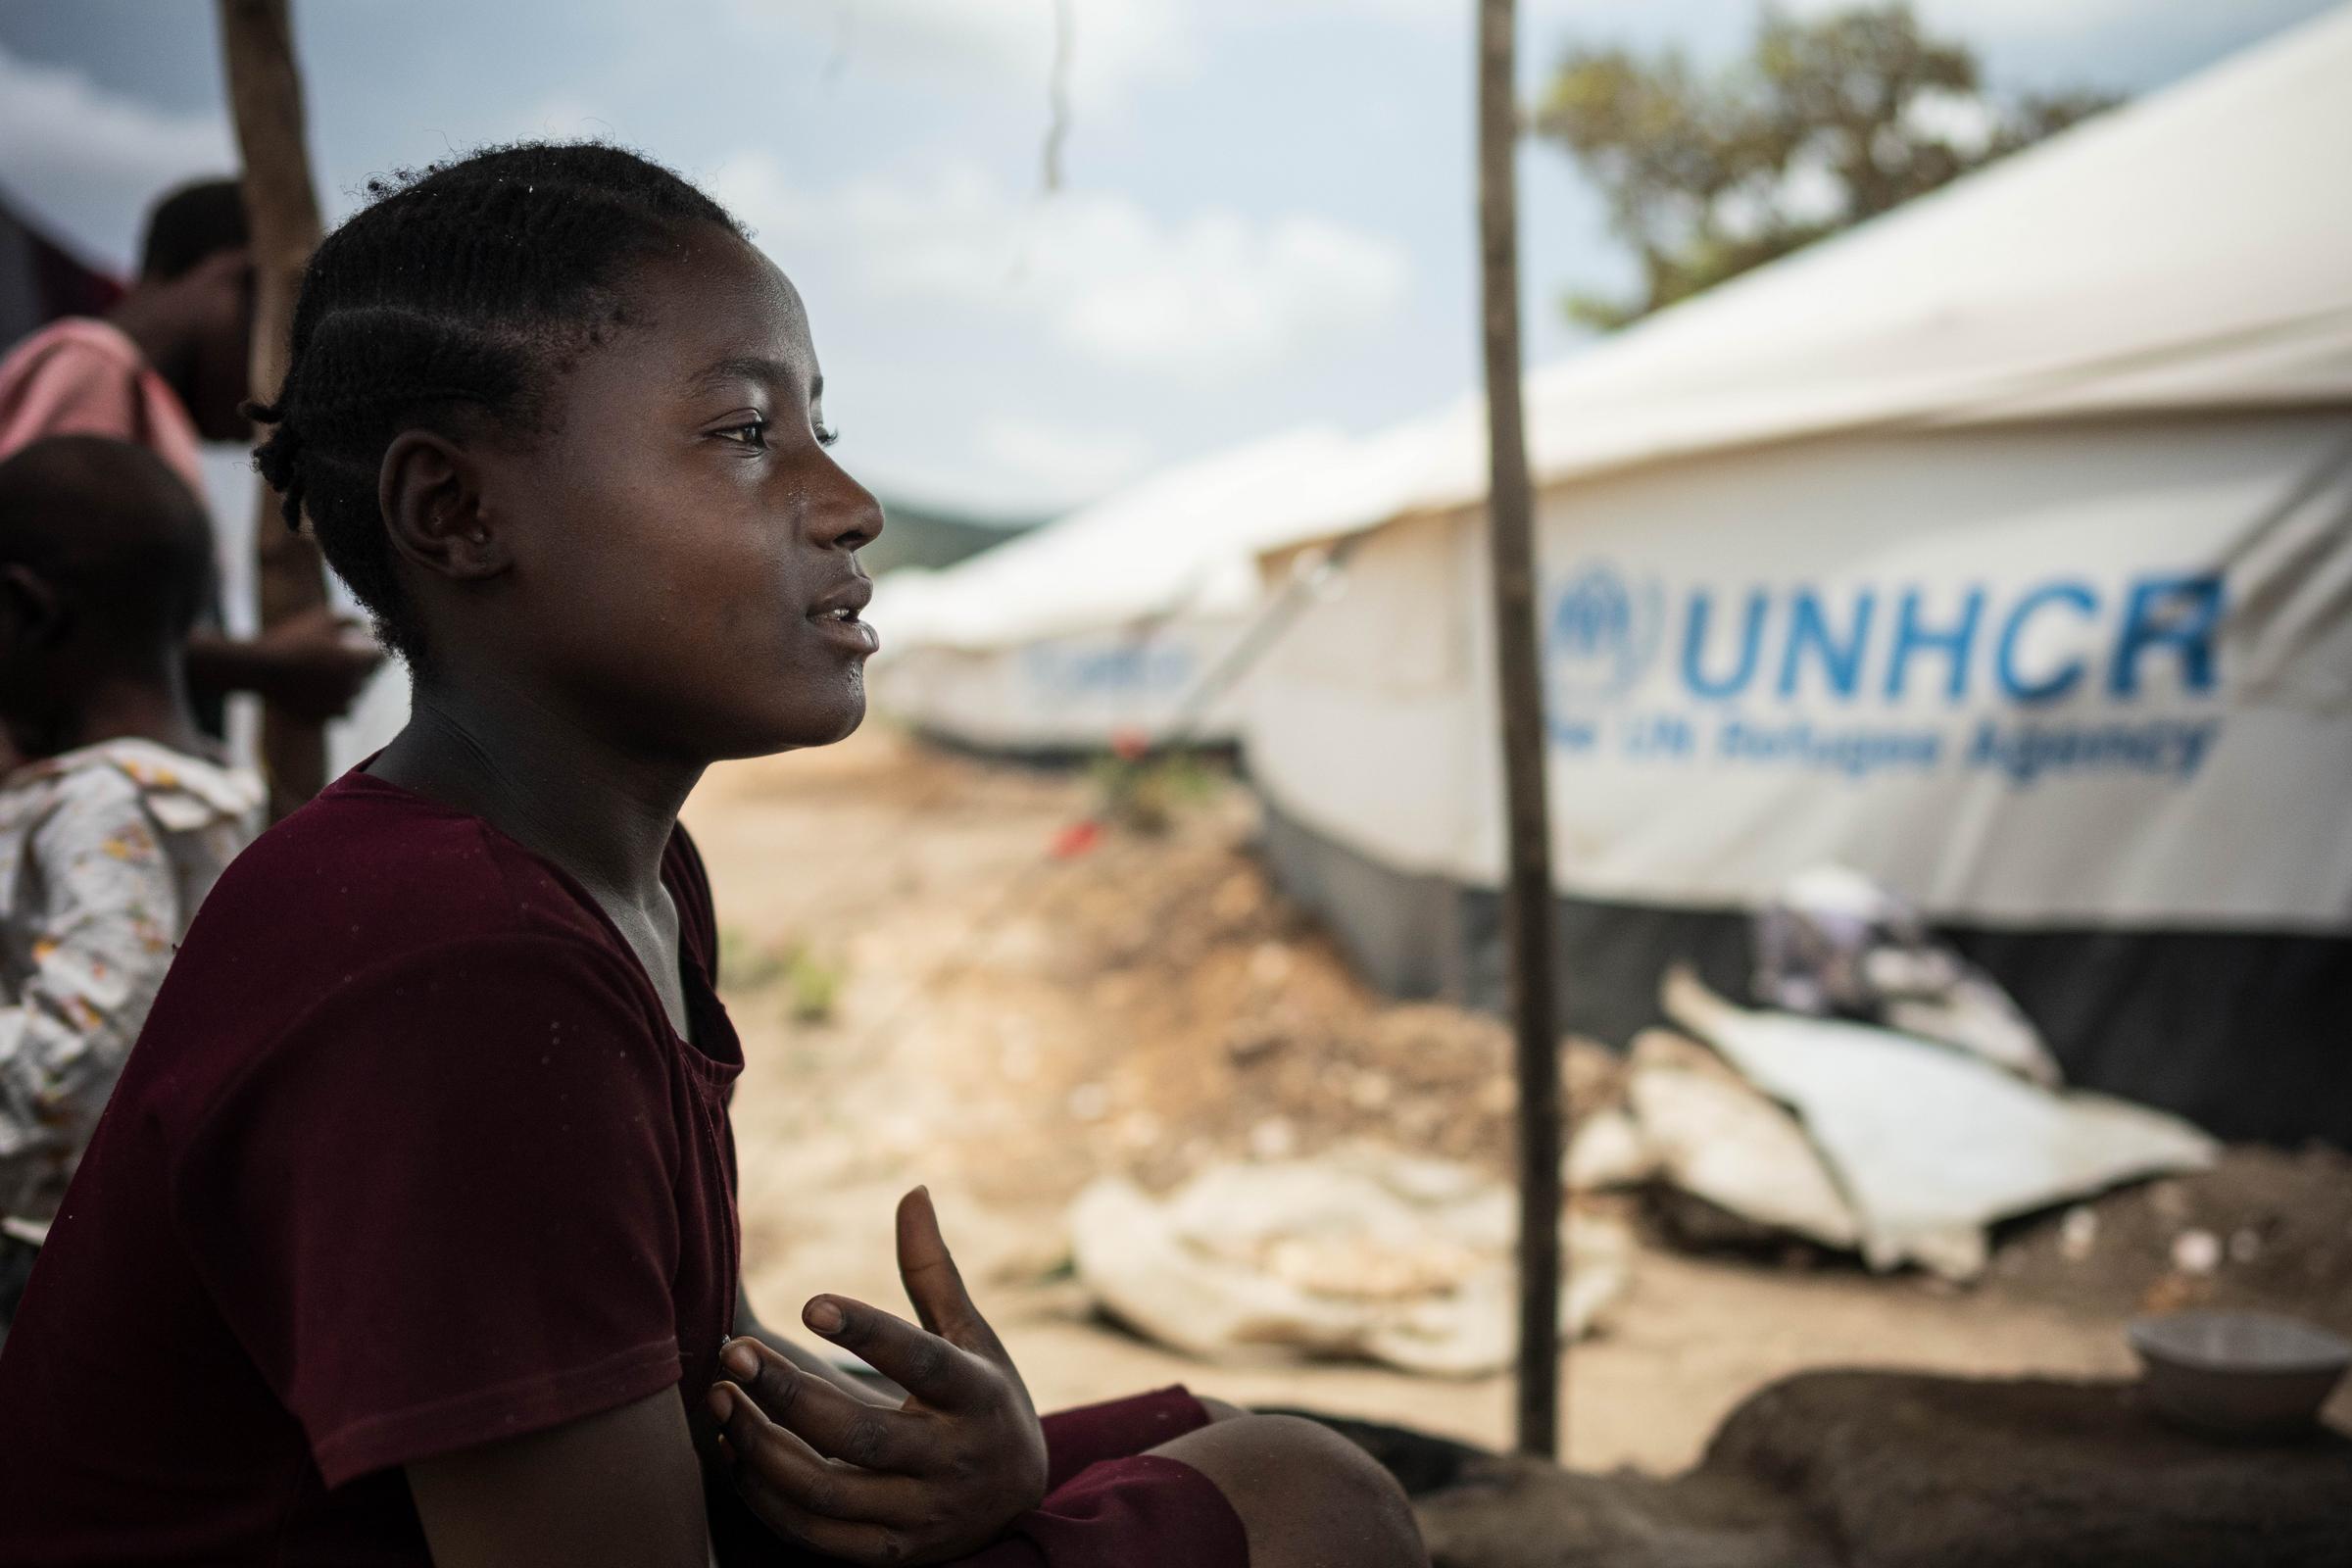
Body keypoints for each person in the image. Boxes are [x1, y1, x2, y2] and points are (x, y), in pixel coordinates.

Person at [0, 143, 1425, 1568]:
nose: (849, 499)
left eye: (820, 425)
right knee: (1309, 1496)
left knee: (1210, 1426)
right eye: (748, 432)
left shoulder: (632, 877)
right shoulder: (453, 958)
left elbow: (702, 1375)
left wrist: (972, 1453)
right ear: (458, 513)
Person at [0, 436, 263, 1329]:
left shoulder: (100, 804)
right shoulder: (217, 789)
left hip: (46, 1262)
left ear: (23, 611)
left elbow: (82, 1050)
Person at [0, 178, 381, 746]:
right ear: (237, 280)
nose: (290, 386)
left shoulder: (138, 399)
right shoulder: (95, 364)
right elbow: (59, 613)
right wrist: (268, 666)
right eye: (291, 343)